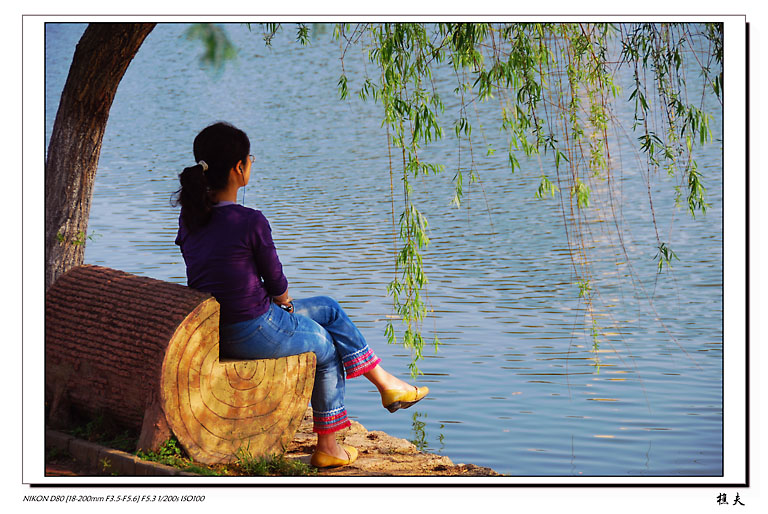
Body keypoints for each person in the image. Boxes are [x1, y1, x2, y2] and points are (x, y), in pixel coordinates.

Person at [173, 121, 428, 468]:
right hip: (251, 328)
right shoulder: (250, 221)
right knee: (325, 345)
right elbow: (275, 281)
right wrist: (283, 302)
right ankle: (329, 447)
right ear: (239, 168)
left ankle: (386, 384)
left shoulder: (190, 218)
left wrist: (280, 305)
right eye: (250, 160)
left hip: (217, 325)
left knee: (327, 308)